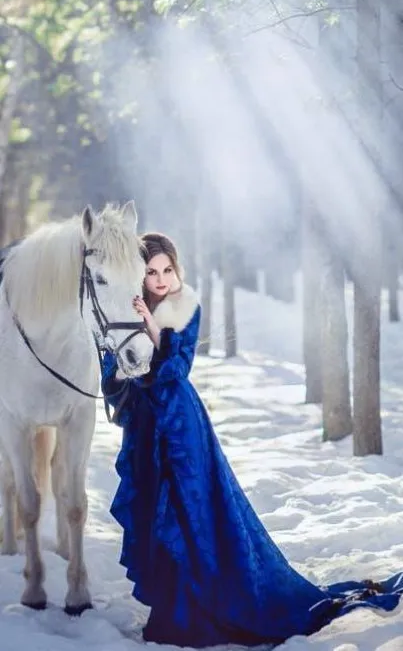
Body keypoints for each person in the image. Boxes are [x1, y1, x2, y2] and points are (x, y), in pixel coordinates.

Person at [101, 232, 403, 648]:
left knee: (191, 513)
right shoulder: (124, 308)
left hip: (180, 427)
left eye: (167, 270)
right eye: (151, 272)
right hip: (144, 428)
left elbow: (177, 369)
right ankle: (172, 604)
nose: (161, 279)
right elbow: (111, 368)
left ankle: (199, 609)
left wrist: (153, 329)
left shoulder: (184, 307)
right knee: (155, 511)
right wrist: (118, 370)